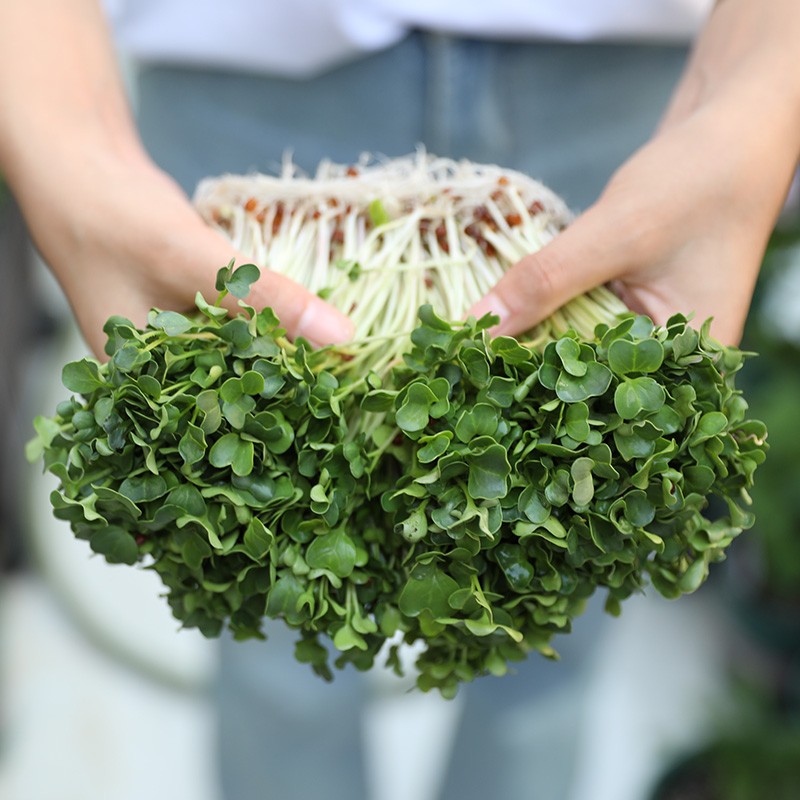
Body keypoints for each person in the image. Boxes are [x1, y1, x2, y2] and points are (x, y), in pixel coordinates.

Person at [1, 2, 799, 799]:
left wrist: (753, 93)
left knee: (548, 600)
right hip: (249, 74)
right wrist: (69, 132)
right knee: (273, 623)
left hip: (610, 82)